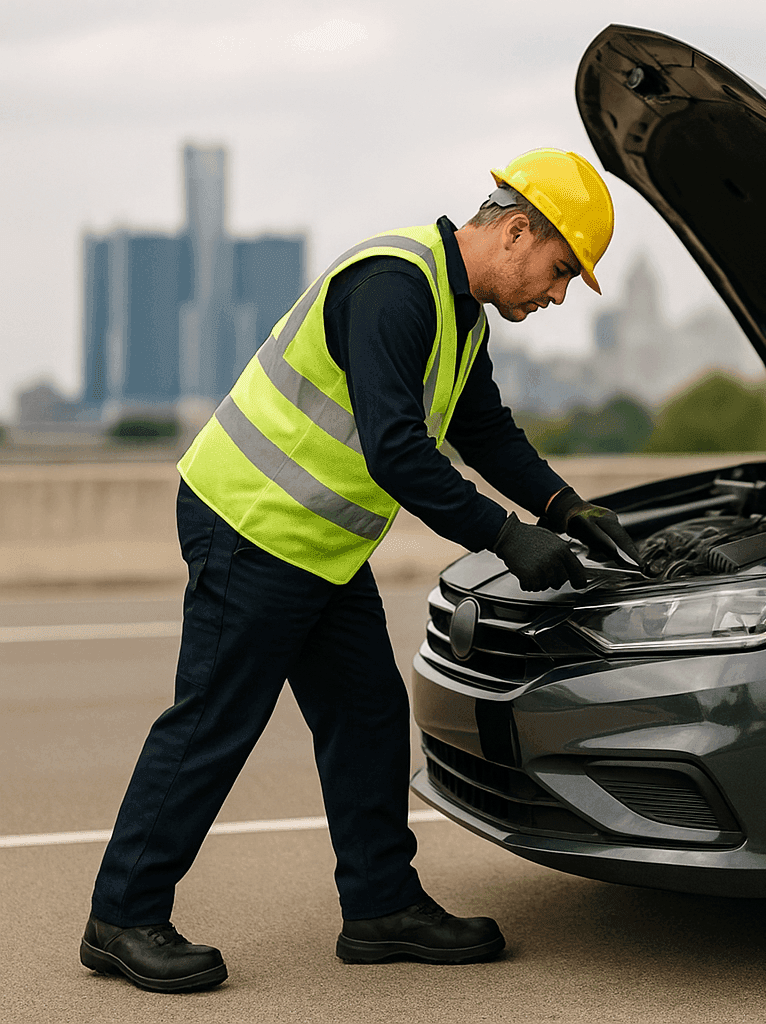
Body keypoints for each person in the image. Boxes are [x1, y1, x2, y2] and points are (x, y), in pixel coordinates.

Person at [80, 149, 642, 993]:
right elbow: (396, 450)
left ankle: (380, 907)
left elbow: (485, 433)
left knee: (370, 716)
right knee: (215, 721)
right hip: (252, 522)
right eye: (560, 271)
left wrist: (568, 509)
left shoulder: (461, 317)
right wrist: (508, 538)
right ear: (518, 230)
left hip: (316, 545)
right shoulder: (395, 286)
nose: (556, 294)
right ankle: (121, 916)